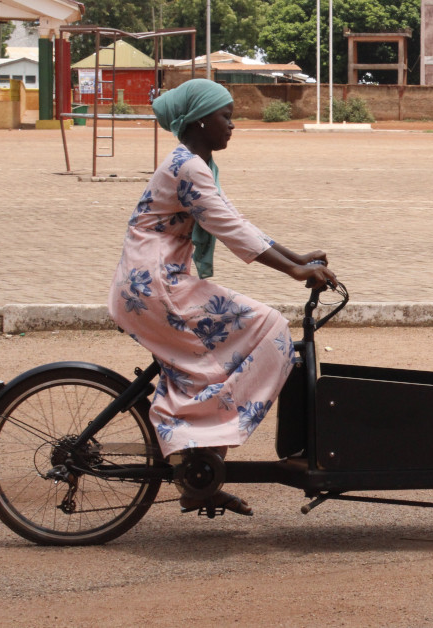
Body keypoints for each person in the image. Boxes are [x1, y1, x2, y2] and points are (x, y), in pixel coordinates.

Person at [107, 79, 336, 516]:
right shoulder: (188, 167)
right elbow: (229, 229)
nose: (233, 125)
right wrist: (293, 270)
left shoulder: (194, 163)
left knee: (216, 362)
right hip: (156, 290)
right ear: (198, 121)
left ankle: (200, 471)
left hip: (152, 286)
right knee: (269, 326)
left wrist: (297, 256)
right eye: (225, 116)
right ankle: (196, 444)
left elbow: (235, 219)